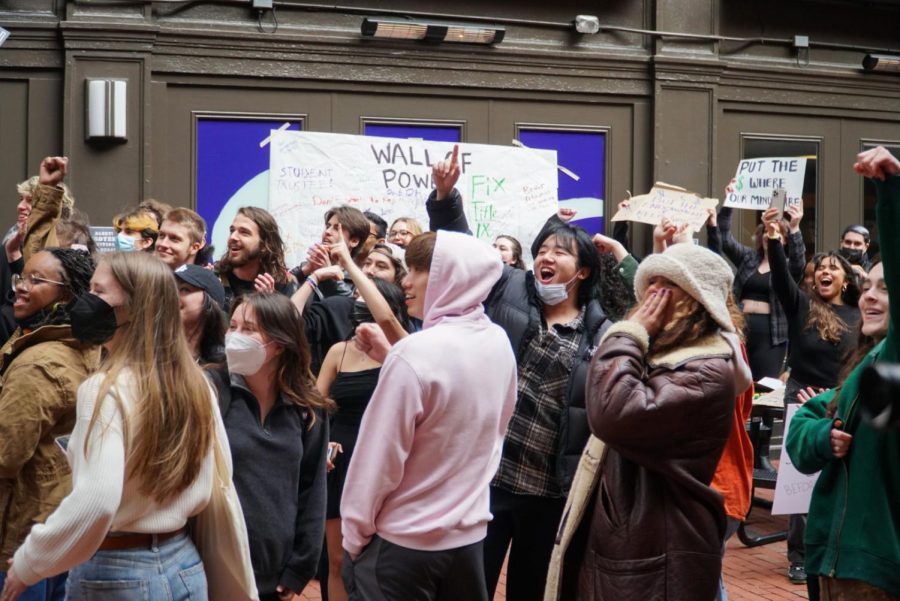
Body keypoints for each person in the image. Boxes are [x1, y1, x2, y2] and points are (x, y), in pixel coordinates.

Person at [424, 150, 612, 601]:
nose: (547, 256)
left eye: (560, 253)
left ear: (582, 271)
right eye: (542, 249)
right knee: (468, 586)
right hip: (488, 479)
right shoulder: (507, 287)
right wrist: (446, 198)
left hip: (549, 492)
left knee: (532, 591)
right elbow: (464, 249)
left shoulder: (601, 334)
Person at [2, 251, 225, 600]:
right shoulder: (195, 382)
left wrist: (30, 562)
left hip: (117, 572)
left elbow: (97, 502)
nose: (87, 299)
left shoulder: (104, 389)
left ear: (134, 307)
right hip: (183, 561)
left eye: (99, 291)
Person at [554, 243, 746, 600]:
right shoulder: (663, 356)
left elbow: (614, 412)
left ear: (694, 300)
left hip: (660, 543)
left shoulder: (706, 370)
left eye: (667, 285)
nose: (652, 296)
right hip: (633, 535)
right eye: (651, 284)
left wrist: (627, 334)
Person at [340, 231, 517, 601]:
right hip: (469, 540)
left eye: (420, 270)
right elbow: (485, 423)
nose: (406, 280)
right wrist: (395, 357)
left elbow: (378, 461)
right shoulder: (498, 342)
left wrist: (353, 539)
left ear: (449, 276)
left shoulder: (415, 354)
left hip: (403, 545)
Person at [786, 145, 900, 600]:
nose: (869, 297)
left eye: (886, 289)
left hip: (872, 563)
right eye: (867, 285)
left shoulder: (894, 359)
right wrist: (822, 436)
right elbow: (810, 420)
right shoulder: (866, 363)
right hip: (832, 558)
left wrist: (889, 194)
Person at [764, 206, 861, 587]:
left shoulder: (858, 312)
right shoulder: (802, 305)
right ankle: (800, 555)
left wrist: (837, 395)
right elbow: (780, 273)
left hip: (843, 399)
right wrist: (777, 235)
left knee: (841, 474)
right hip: (803, 399)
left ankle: (840, 546)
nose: (824, 271)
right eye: (820, 268)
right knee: (801, 486)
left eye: (833, 268)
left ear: (846, 279)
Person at [211, 292, 331, 600]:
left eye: (249, 329)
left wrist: (302, 564)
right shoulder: (211, 389)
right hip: (213, 564)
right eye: (232, 326)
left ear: (279, 344)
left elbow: (312, 488)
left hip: (274, 572)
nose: (235, 337)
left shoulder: (307, 408)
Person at [0, 248, 100, 601]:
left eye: (36, 281)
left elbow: (5, 456)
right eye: (21, 277)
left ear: (68, 294)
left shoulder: (39, 364)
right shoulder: (75, 340)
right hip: (52, 517)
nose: (21, 288)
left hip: (18, 528)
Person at [316, 251, 409, 601]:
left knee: (381, 558)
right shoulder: (338, 351)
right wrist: (322, 441)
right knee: (339, 559)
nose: (359, 303)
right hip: (339, 460)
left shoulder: (404, 349)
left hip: (384, 461)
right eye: (356, 295)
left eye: (366, 296)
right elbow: (314, 405)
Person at [710, 201, 806, 380]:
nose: (767, 236)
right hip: (739, 328)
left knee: (763, 384)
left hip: (770, 335)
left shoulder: (785, 268)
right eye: (765, 232)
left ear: (784, 240)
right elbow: (725, 238)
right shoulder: (748, 258)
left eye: (776, 232)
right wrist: (729, 202)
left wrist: (795, 228)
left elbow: (799, 262)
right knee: (734, 380)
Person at [216, 206, 298, 311]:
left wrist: (270, 305)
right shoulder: (215, 277)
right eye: (232, 231)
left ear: (264, 245)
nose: (232, 237)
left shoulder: (284, 284)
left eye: (244, 232)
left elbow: (291, 325)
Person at [174, 263, 227, 365]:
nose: (173, 295)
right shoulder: (148, 348)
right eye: (171, 288)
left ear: (211, 303)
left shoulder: (221, 365)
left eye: (184, 289)